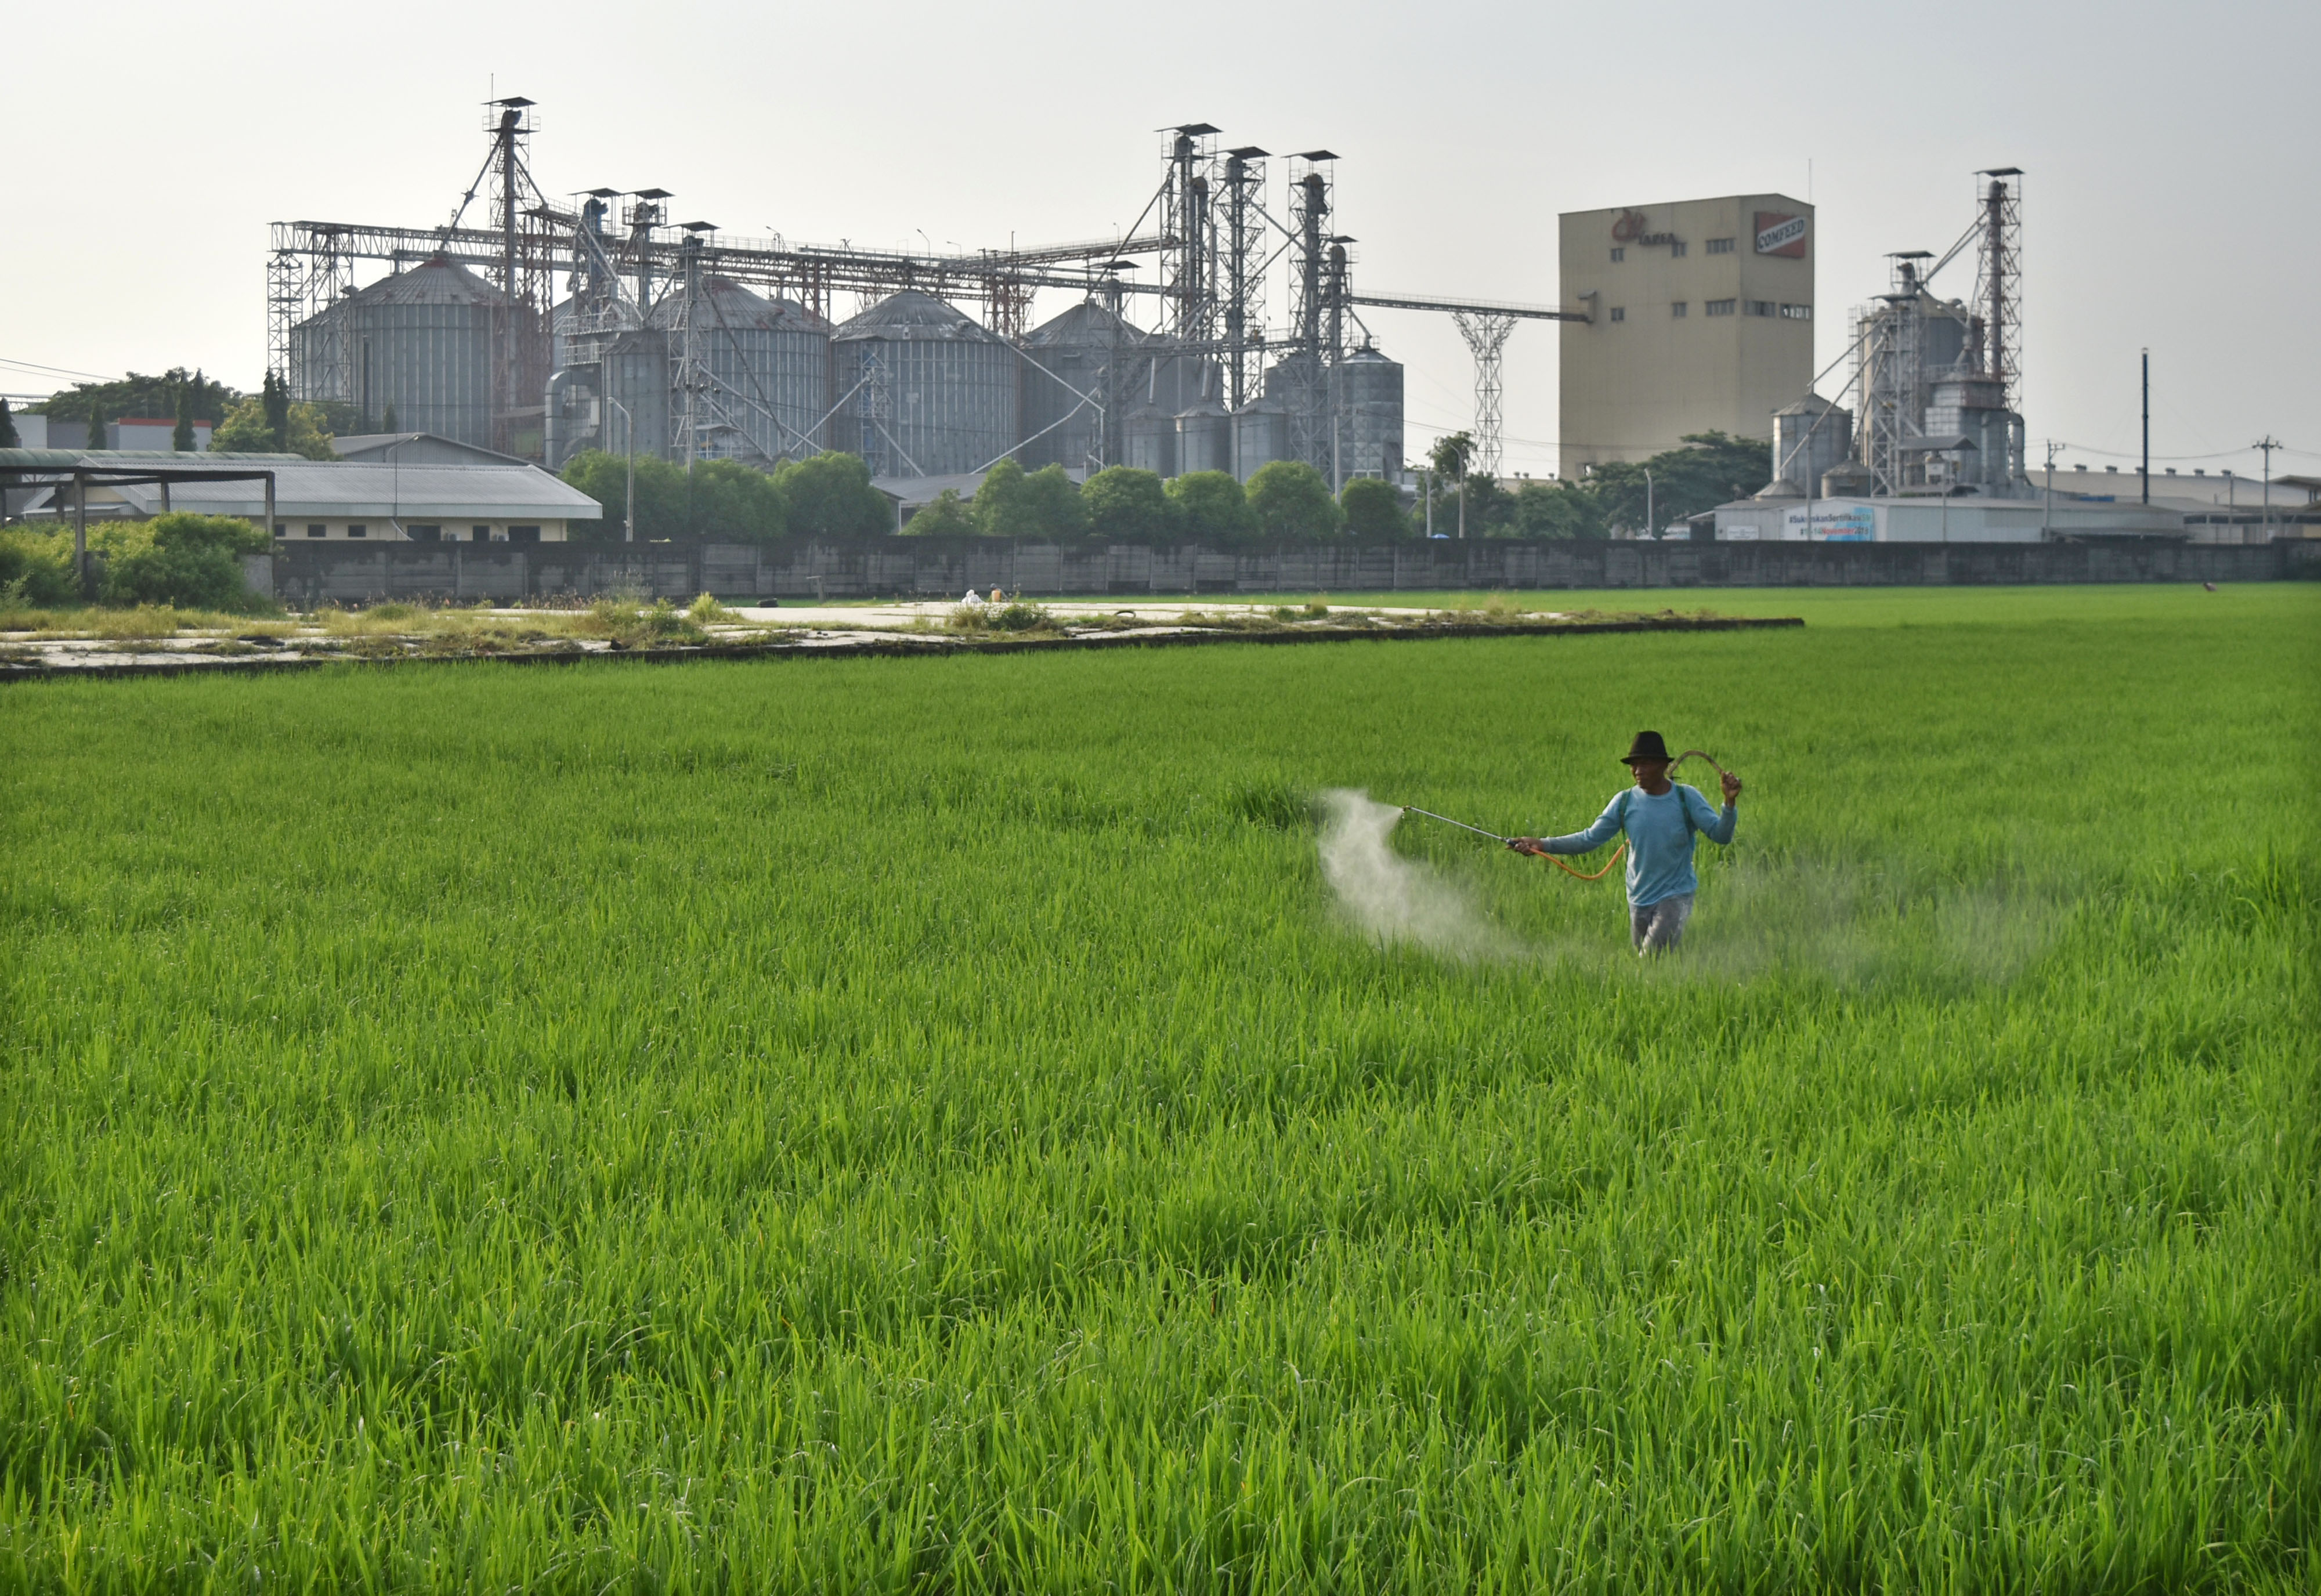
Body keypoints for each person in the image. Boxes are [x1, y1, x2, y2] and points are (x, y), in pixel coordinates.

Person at [1510, 730, 1742, 954]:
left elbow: (1721, 836)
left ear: (1663, 766)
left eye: (1645, 764)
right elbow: (1589, 839)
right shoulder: (1625, 802)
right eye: (1634, 765)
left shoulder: (1686, 798)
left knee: (1650, 959)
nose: (1638, 771)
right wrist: (1542, 844)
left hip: (1676, 895)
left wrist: (1729, 804)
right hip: (1638, 897)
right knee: (1648, 967)